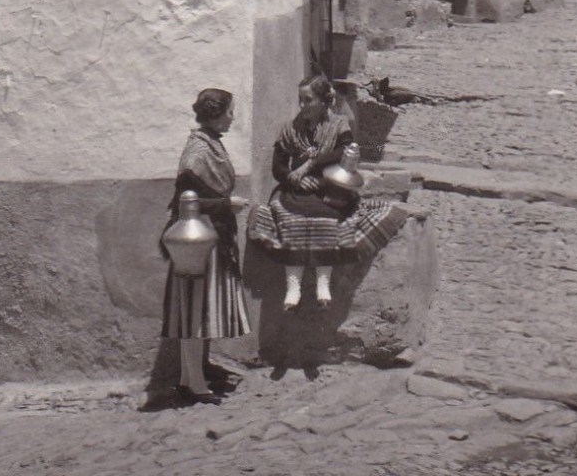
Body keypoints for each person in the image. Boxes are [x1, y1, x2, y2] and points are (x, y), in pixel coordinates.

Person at [248, 75, 409, 310]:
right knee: (289, 220)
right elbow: (278, 166)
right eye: (300, 100)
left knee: (329, 220)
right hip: (297, 190)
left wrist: (311, 166)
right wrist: (295, 181)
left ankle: (323, 284)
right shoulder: (291, 128)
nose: (302, 106)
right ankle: (294, 287)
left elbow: (344, 152)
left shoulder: (338, 125)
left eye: (308, 100)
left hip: (329, 189)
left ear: (324, 102)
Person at [159, 89, 251, 406]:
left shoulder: (211, 144)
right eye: (229, 112)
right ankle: (194, 383)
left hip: (212, 236)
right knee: (195, 310)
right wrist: (226, 205)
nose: (232, 117)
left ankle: (192, 377)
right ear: (214, 113)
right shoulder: (197, 152)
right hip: (197, 240)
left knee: (201, 309)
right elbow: (185, 201)